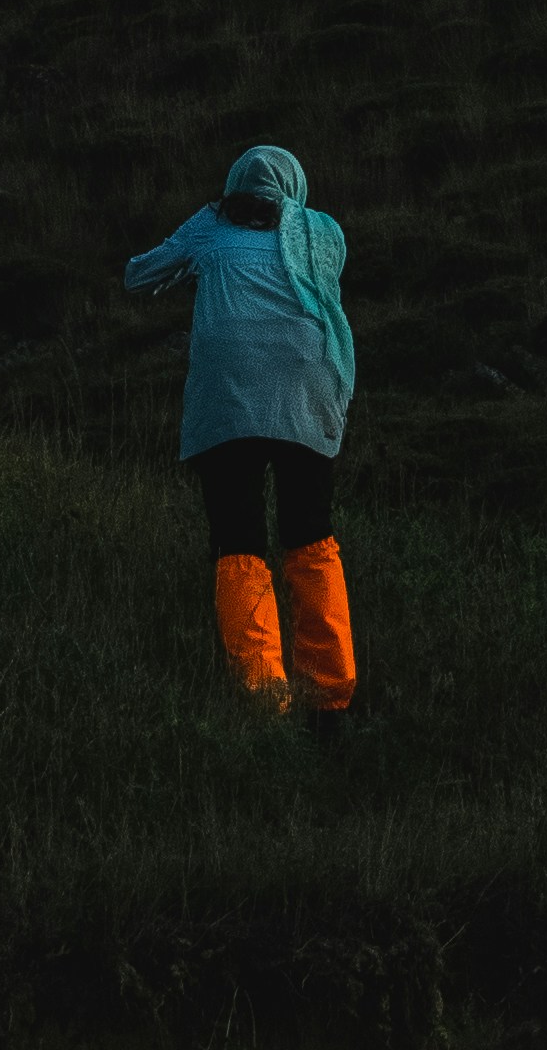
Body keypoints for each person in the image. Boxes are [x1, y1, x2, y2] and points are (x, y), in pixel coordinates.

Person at [123, 137, 359, 716]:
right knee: (310, 532)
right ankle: (330, 697)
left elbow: (138, 275)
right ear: (294, 186)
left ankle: (263, 700)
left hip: (229, 395)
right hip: (306, 384)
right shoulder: (323, 231)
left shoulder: (210, 227)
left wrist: (203, 227)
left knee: (239, 538)